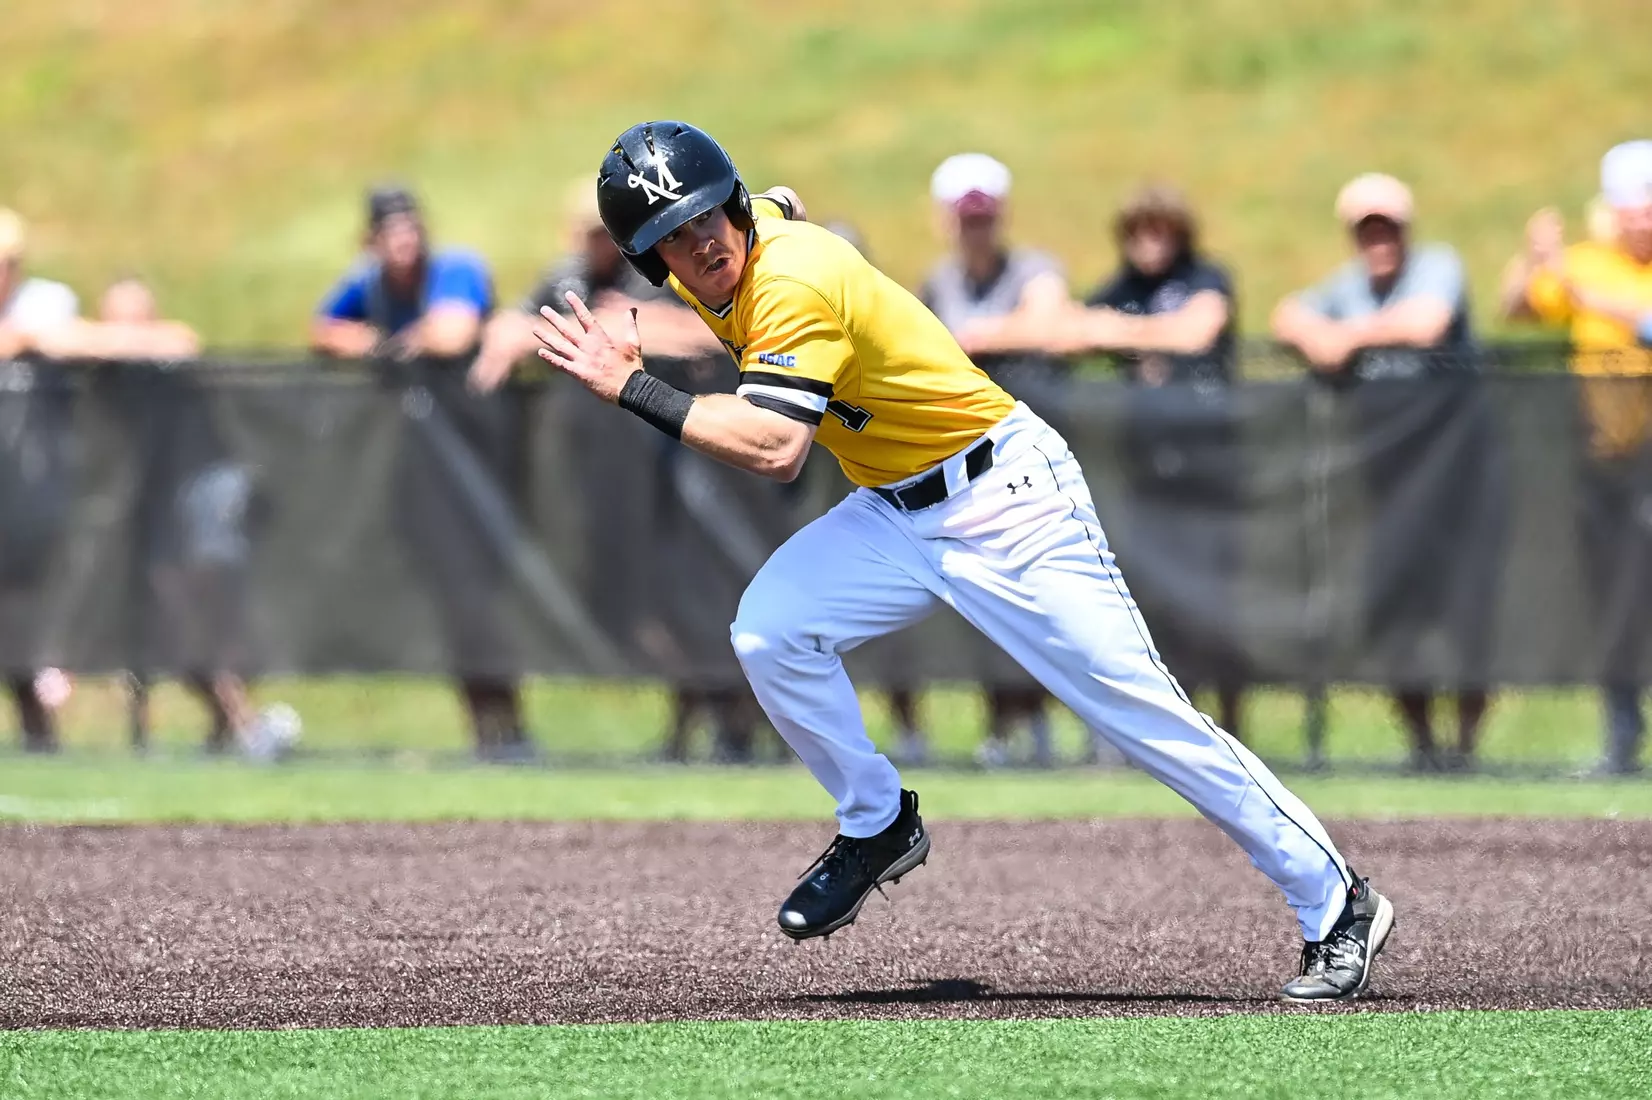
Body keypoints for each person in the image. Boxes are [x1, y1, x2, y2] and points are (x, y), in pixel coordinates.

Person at [511, 120, 1392, 1001]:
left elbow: (778, 444)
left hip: (1004, 497)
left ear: (732, 205)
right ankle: (878, 822)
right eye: (673, 234)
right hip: (895, 511)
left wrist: (633, 383)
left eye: (709, 215)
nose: (702, 239)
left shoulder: (789, 279)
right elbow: (786, 201)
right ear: (651, 259)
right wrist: (748, 229)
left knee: (1140, 715)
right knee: (770, 632)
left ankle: (1338, 901)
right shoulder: (746, 239)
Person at [1272, 173, 1494, 773]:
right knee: (1396, 604)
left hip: (1457, 476)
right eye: (1367, 230)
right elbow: (1287, 316)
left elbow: (1426, 323)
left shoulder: (1436, 266)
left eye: (1388, 228)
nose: (1379, 241)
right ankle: (1422, 744)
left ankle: (1466, 746)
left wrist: (1346, 337)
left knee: (1470, 606)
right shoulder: (1347, 287)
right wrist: (1321, 335)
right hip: (1388, 483)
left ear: (1405, 229)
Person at [313, 185, 533, 762]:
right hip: (427, 475)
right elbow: (323, 329)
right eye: (392, 232)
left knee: (487, 598)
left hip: (486, 460)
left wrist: (390, 346)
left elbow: (452, 333)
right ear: (372, 240)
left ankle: (513, 726)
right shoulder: (372, 285)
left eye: (411, 227)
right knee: (452, 602)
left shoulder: (455, 268)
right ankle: (485, 730)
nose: (405, 240)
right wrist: (383, 344)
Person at [39, 276, 299, 760]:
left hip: (190, 507)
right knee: (159, 624)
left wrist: (124, 342)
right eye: (117, 319)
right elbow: (56, 339)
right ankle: (231, 725)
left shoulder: (164, 355)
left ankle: (240, 724)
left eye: (136, 318)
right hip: (139, 514)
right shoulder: (101, 360)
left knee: (196, 620)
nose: (126, 332)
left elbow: (182, 342)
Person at [1062, 183, 1248, 746]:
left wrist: (1121, 333)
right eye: (1137, 230)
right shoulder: (1124, 288)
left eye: (1159, 228)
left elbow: (1198, 331)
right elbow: (1067, 327)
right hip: (1147, 477)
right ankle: (1165, 730)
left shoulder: (1205, 277)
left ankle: (1232, 729)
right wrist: (1132, 334)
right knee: (1147, 608)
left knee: (1218, 609)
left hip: (1211, 475)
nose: (1148, 241)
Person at [1501, 140, 1652, 775]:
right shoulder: (1589, 263)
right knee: (1615, 598)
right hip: (1608, 462)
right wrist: (1531, 259)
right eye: (1632, 210)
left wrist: (1586, 294)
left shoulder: (1591, 281)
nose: (1640, 222)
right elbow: (1518, 307)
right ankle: (1621, 734)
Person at [919, 153, 1070, 768]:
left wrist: (975, 338)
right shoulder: (939, 282)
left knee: (1049, 593)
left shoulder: (1033, 269)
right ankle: (1005, 725)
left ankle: (1060, 722)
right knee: (982, 602)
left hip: (1029, 458)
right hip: (962, 467)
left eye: (983, 218)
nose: (974, 229)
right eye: (964, 218)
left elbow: (1050, 321)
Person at [0, 208, 78, 752]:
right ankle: (36, 725)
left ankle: (48, 680)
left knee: (33, 596)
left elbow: (54, 335)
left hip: (36, 485)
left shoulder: (45, 300)